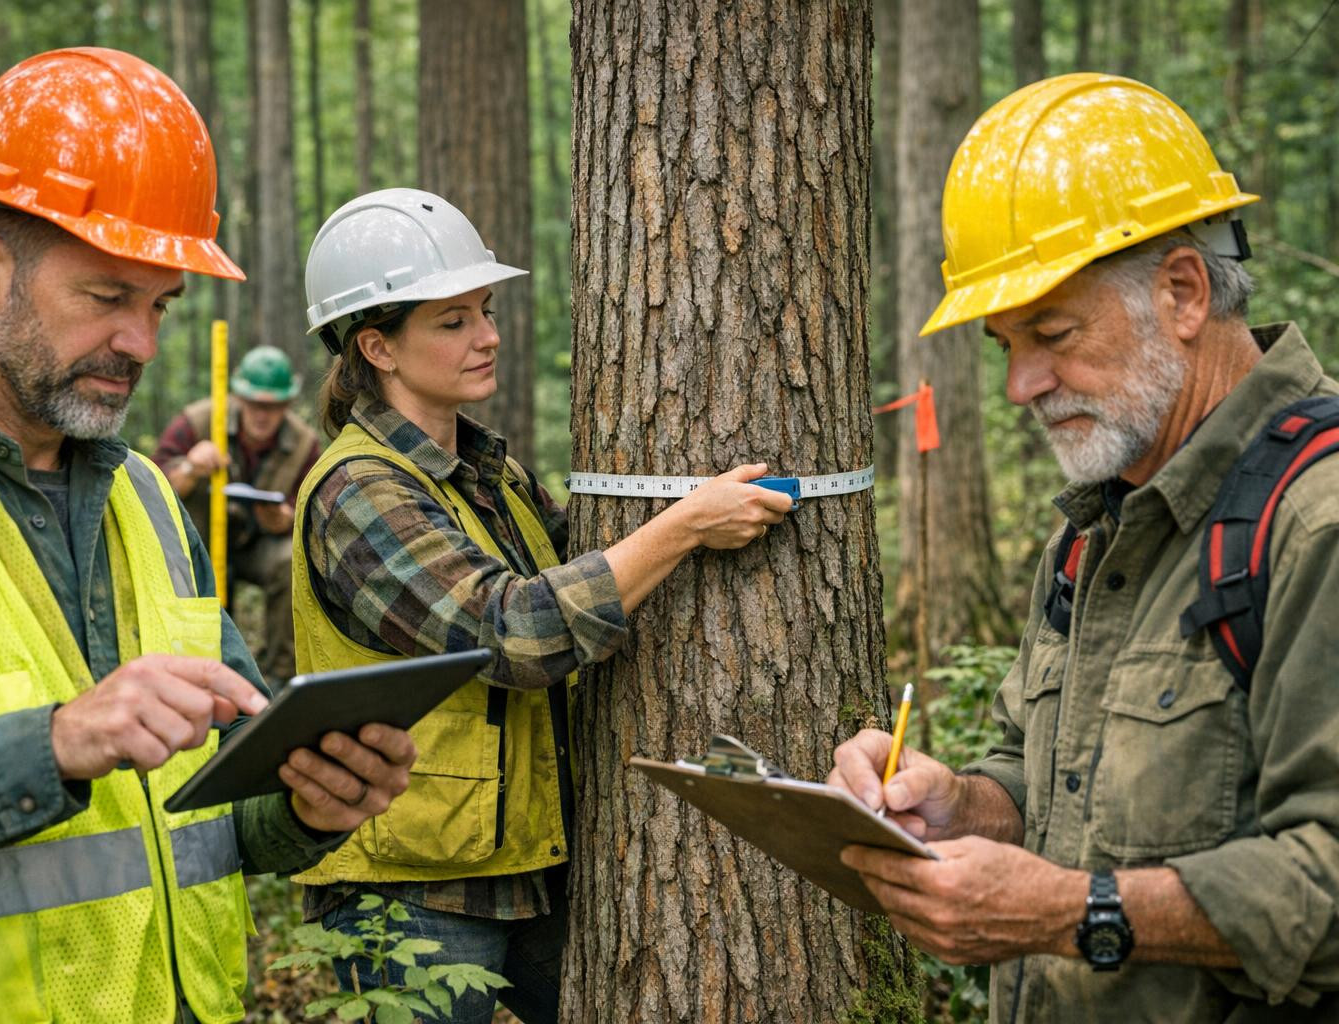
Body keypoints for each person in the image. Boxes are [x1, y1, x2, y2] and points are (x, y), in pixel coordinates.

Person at [0, 49, 414, 1024]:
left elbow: (208, 807)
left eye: (160, 305)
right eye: (106, 296)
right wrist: (52, 745)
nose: (143, 342)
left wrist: (304, 803)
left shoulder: (148, 498)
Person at [829, 73, 1339, 1021]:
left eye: (1052, 333)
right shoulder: (1094, 529)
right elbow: (1048, 784)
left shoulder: (1317, 521)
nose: (1022, 384)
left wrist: (1072, 913)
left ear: (1184, 292)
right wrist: (953, 804)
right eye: (1004, 345)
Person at [290, 188, 795, 1023]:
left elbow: (585, 578)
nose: (488, 336)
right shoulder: (359, 492)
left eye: (484, 312)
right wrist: (686, 524)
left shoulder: (489, 473)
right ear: (376, 346)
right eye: (451, 322)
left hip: (529, 868)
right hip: (411, 891)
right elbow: (513, 633)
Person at [154, 345, 321, 685]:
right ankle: (185, 671)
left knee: (293, 559)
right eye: (255, 404)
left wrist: (287, 518)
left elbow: (311, 507)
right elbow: (151, 484)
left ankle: (278, 678)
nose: (263, 415)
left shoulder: (305, 444)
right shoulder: (198, 421)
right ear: (237, 397)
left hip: (256, 547)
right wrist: (189, 466)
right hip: (195, 548)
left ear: (287, 405)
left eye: (273, 407)